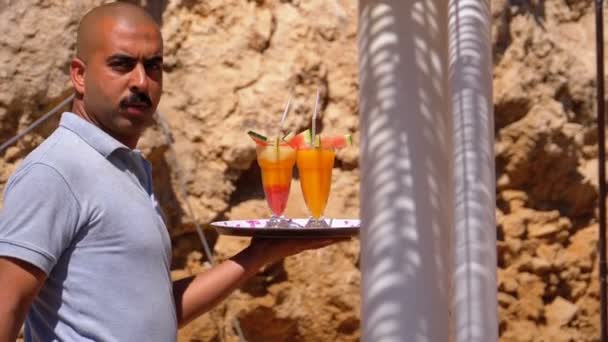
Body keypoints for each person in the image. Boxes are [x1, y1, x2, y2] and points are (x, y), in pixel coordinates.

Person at [0, 2, 340, 341]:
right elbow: (7, 306)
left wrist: (262, 252)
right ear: (79, 75)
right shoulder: (55, 171)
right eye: (121, 64)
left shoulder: (122, 169)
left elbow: (156, 314)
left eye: (153, 66)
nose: (141, 81)